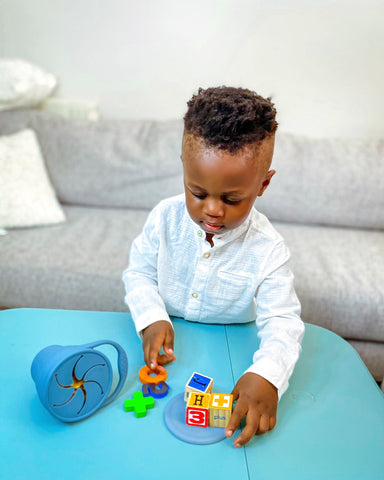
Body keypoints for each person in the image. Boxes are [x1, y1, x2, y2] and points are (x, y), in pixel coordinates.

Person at [122, 86, 304, 447]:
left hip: (232, 351)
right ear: (184, 168)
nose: (213, 210)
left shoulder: (269, 249)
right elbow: (139, 273)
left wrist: (267, 375)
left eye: (232, 198)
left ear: (263, 183)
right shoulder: (164, 218)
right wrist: (150, 317)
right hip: (174, 359)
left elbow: (283, 321)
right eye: (198, 192)